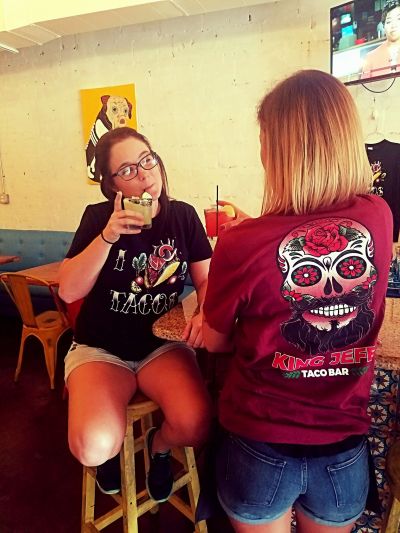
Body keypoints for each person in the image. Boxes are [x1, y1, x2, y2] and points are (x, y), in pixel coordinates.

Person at [202, 70, 393, 533]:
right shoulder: (379, 217)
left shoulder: (240, 243)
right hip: (342, 454)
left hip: (259, 447)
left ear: (276, 151)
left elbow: (215, 341)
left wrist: (246, 240)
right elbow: (308, 231)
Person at [59, 126, 212, 501]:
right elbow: (68, 290)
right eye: (127, 170)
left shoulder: (183, 216)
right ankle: (110, 454)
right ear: (112, 185)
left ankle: (158, 446)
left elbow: (206, 279)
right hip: (101, 349)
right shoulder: (97, 218)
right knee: (93, 447)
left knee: (196, 425)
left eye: (147, 160)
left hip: (162, 346)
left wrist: (204, 313)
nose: (144, 175)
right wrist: (108, 237)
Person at [362, 0, 400, 78]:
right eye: (389, 21)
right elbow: (364, 85)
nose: (394, 25)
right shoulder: (370, 57)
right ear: (383, 26)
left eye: (398, 19)